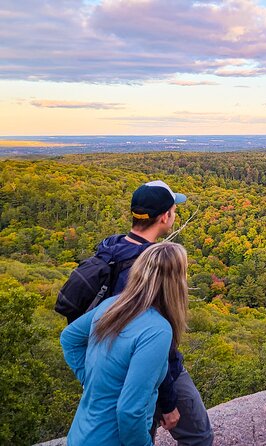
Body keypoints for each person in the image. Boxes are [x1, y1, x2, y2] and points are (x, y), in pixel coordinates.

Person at [85, 180, 213, 445]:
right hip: (153, 370)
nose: (174, 215)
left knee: (143, 431)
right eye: (174, 210)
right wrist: (168, 402)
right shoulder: (150, 268)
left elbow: (72, 334)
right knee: (199, 436)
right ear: (165, 216)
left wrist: (88, 375)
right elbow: (156, 344)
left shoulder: (112, 248)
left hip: (108, 363)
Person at [61, 242, 189, 445]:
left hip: (81, 434)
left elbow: (69, 338)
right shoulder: (157, 330)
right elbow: (130, 410)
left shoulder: (112, 305)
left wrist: (91, 381)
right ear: (176, 282)